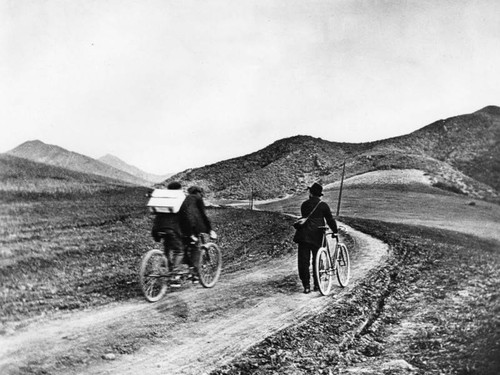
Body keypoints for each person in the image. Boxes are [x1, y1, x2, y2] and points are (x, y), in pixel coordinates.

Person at [293, 182, 338, 294]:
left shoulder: (304, 204)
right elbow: (330, 220)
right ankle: (317, 285)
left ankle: (306, 286)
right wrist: (335, 231)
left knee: (304, 261)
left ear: (311, 193)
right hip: (317, 235)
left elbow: (305, 217)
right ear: (320, 194)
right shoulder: (323, 205)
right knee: (317, 260)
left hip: (304, 235)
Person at [178, 185, 217, 282]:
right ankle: (195, 275)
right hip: (192, 227)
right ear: (199, 192)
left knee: (185, 248)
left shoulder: (186, 199)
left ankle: (184, 270)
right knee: (195, 248)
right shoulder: (198, 199)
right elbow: (203, 215)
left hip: (182, 227)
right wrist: (209, 229)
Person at [151, 181, 185, 287]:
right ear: (179, 189)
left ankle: (165, 268)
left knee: (167, 249)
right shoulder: (178, 200)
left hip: (158, 228)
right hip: (171, 229)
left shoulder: (163, 200)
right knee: (179, 251)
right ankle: (175, 276)